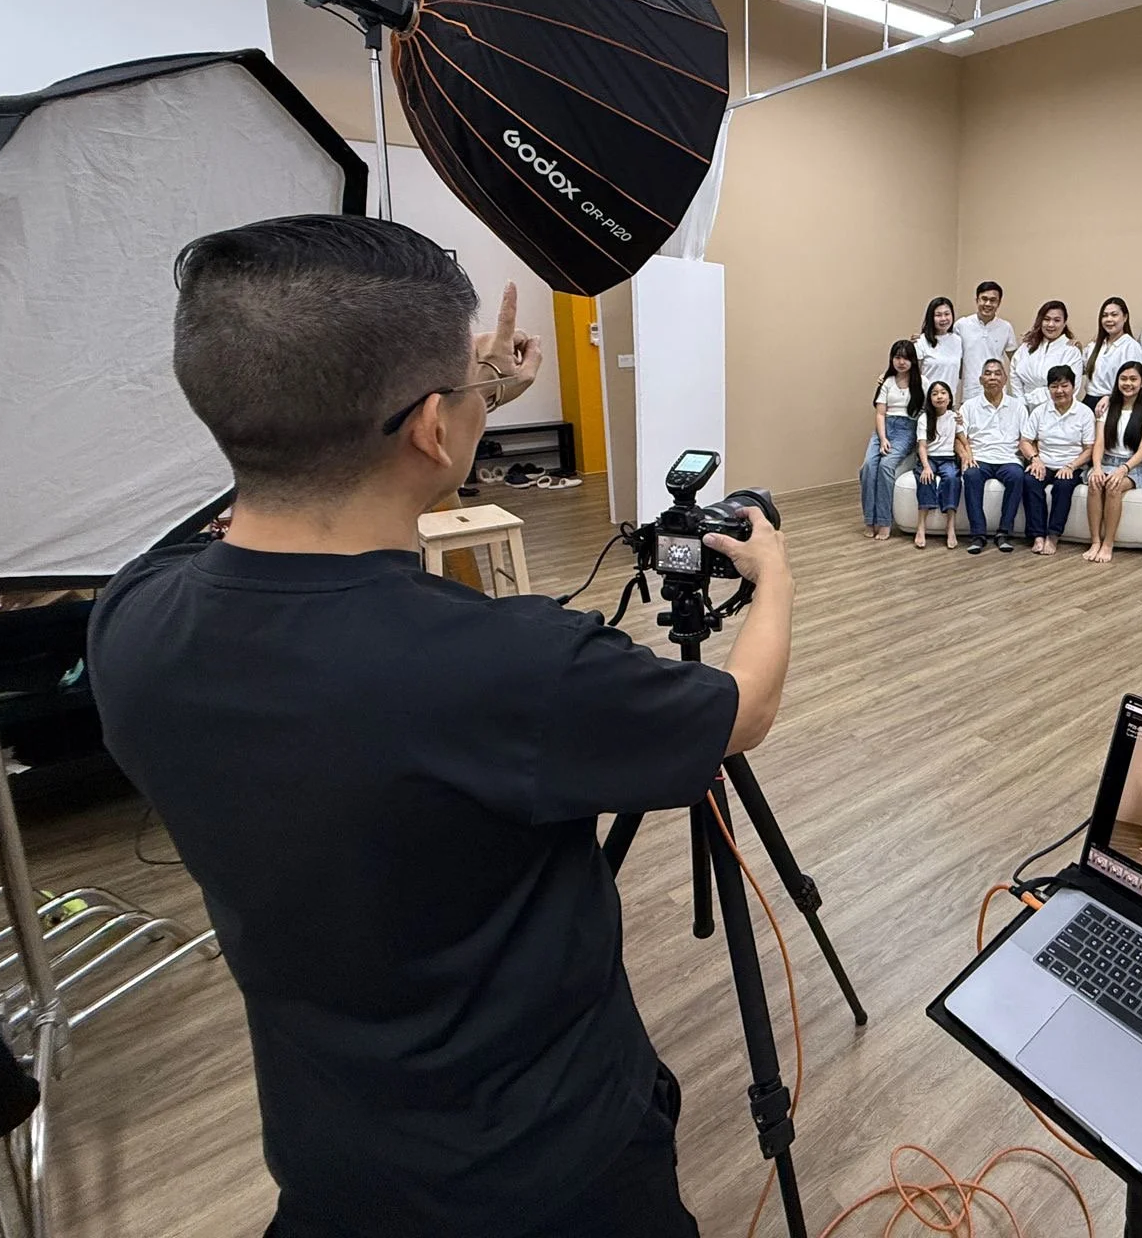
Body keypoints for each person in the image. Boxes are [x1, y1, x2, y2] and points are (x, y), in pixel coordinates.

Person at [87, 216, 795, 1238]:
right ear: (430, 427)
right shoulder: (512, 666)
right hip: (555, 1178)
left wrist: (462, 395)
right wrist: (773, 573)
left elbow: (278, 488)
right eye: (467, 390)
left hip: (330, 1169)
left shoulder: (132, 619)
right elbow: (743, 709)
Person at [1083, 361, 1142, 565]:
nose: (1128, 383)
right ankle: (1095, 541)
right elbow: (1099, 443)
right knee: (1095, 483)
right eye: (1123, 379)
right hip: (1105, 461)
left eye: (1133, 379)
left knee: (1114, 486)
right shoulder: (1107, 407)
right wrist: (1097, 468)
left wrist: (1123, 469)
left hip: (1133, 466)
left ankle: (1108, 544)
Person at [1019, 365, 1095, 555]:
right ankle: (1037, 536)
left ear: (1073, 387)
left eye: (1064, 385)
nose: (1059, 391)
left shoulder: (1084, 413)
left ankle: (1053, 536)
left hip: (1072, 465)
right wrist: (1035, 459)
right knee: (1030, 480)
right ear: (1048, 389)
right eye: (1054, 386)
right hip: (1044, 463)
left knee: (1063, 485)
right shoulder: (1040, 411)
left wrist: (1071, 465)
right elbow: (1025, 441)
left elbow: (1089, 449)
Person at [956, 358, 1028, 553]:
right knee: (971, 475)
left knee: (1017, 476)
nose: (992, 377)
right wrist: (965, 456)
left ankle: (1004, 532)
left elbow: (1026, 439)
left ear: (1005, 379)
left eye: (997, 373)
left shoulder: (1018, 406)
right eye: (988, 373)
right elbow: (958, 438)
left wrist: (1032, 458)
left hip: (1009, 458)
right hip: (979, 457)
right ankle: (978, 535)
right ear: (981, 379)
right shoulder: (969, 406)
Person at [860, 340, 923, 539]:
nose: (901, 362)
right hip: (884, 428)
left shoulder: (922, 382)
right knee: (868, 466)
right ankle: (870, 520)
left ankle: (884, 521)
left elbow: (929, 409)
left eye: (906, 358)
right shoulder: (887, 382)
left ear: (913, 360)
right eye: (897, 357)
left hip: (906, 429)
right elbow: (880, 414)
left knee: (886, 466)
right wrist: (883, 438)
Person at [1010, 300, 1084, 414]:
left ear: (1064, 323)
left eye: (1057, 320)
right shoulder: (1027, 347)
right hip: (1024, 409)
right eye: (1046, 319)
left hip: (1056, 411)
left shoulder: (1071, 351)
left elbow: (1071, 388)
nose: (1050, 324)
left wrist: (1036, 400)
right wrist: (1021, 402)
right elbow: (1014, 373)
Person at [913, 380, 962, 550]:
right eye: (934, 394)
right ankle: (921, 527)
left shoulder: (955, 417)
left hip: (948, 458)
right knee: (926, 478)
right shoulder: (924, 418)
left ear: (949, 397)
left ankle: (950, 527)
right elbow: (922, 446)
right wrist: (926, 467)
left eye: (943, 393)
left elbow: (963, 439)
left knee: (952, 479)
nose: (939, 396)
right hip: (929, 458)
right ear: (930, 399)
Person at [953, 281, 1017, 406]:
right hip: (970, 392)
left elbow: (1016, 360)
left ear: (999, 303)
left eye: (993, 300)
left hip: (998, 393)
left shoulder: (1006, 327)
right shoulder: (961, 325)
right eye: (984, 299)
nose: (988, 304)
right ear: (977, 300)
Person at [1081, 297, 1142, 414]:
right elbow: (1082, 368)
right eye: (1105, 315)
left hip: (1114, 403)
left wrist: (1110, 397)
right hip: (1089, 402)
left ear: (1125, 317)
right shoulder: (1095, 344)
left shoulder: (1130, 346)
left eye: (1114, 315)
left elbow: (1133, 382)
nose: (1109, 319)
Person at [912, 296, 964, 400]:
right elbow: (913, 374)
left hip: (949, 402)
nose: (943, 319)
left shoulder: (958, 340)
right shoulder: (921, 341)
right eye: (938, 315)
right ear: (931, 317)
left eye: (947, 314)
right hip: (926, 401)